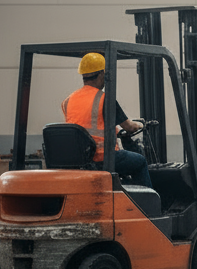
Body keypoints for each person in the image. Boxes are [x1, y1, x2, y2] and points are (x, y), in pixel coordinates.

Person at [62, 52, 152, 189]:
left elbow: (86, 124)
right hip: (103, 158)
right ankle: (148, 205)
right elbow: (129, 127)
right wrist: (141, 124)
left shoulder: (68, 101)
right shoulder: (105, 99)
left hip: (80, 159)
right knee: (140, 162)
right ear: (102, 74)